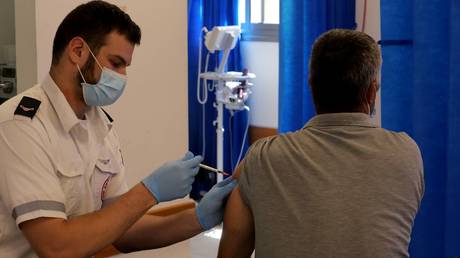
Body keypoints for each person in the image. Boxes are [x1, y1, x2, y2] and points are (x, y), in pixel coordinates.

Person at [0, 1, 236, 257]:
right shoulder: (21, 126)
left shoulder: (100, 126)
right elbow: (56, 247)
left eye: (125, 67)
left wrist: (198, 218)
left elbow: (123, 230)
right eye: (115, 63)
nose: (122, 76)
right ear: (78, 51)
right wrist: (149, 192)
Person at [218, 29, 424, 258]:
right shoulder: (407, 154)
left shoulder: (261, 158)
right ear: (371, 92)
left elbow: (230, 252)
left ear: (311, 85)